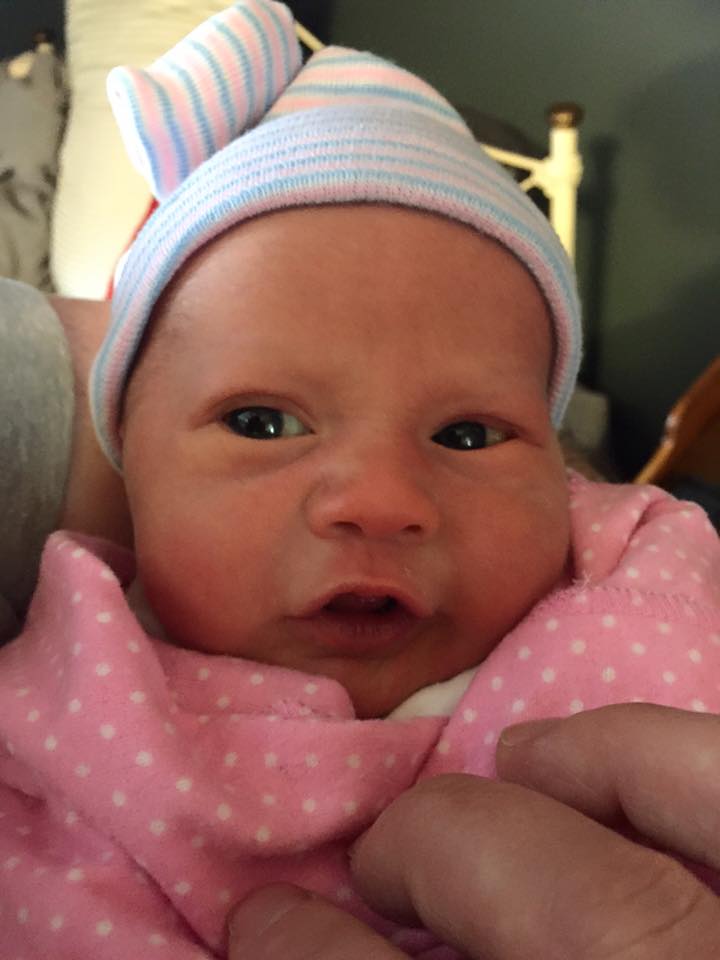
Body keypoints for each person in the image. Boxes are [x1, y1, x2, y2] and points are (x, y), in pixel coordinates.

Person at [0, 1, 717, 957]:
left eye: (468, 434)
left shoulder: (634, 600)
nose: (380, 501)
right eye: (262, 423)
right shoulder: (67, 709)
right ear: (124, 458)